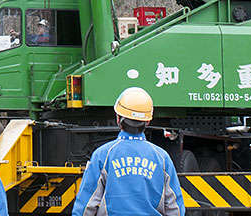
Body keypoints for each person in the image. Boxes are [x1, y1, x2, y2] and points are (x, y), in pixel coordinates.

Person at [72, 87, 184, 216]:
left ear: (118, 119)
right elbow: (174, 207)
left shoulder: (102, 155)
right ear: (147, 121)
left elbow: (86, 206)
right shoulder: (162, 157)